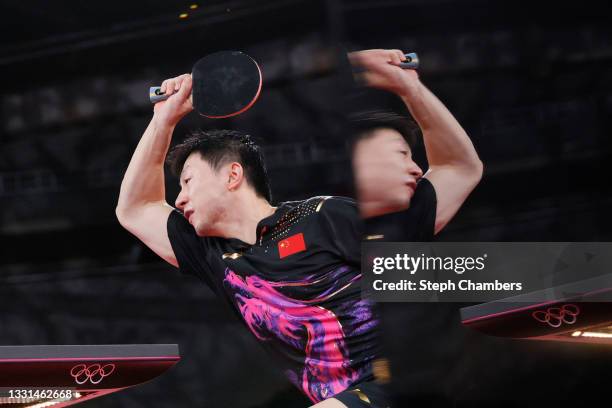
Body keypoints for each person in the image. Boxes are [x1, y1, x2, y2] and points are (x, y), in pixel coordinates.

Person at [115, 49, 482, 408]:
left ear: (232, 175)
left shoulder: (324, 217)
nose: (178, 199)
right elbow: (135, 208)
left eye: (188, 181)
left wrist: (408, 87)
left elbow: (458, 170)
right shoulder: (211, 254)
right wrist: (163, 119)